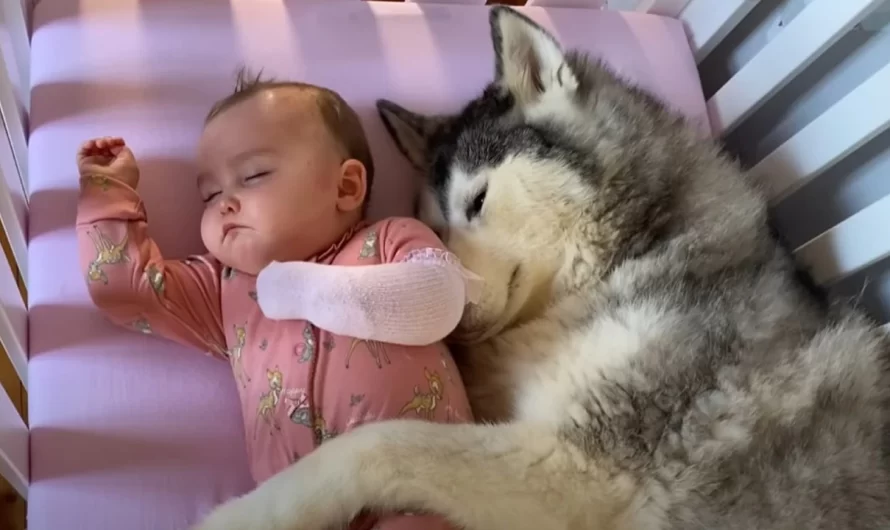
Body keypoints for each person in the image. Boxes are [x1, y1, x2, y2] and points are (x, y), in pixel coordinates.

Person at [76, 71, 476, 530]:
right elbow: (123, 289)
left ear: (346, 187)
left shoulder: (387, 240)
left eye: (253, 176)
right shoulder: (224, 289)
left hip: (415, 485)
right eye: (209, 194)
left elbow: (441, 298)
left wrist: (298, 290)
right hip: (299, 508)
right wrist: (107, 194)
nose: (224, 203)